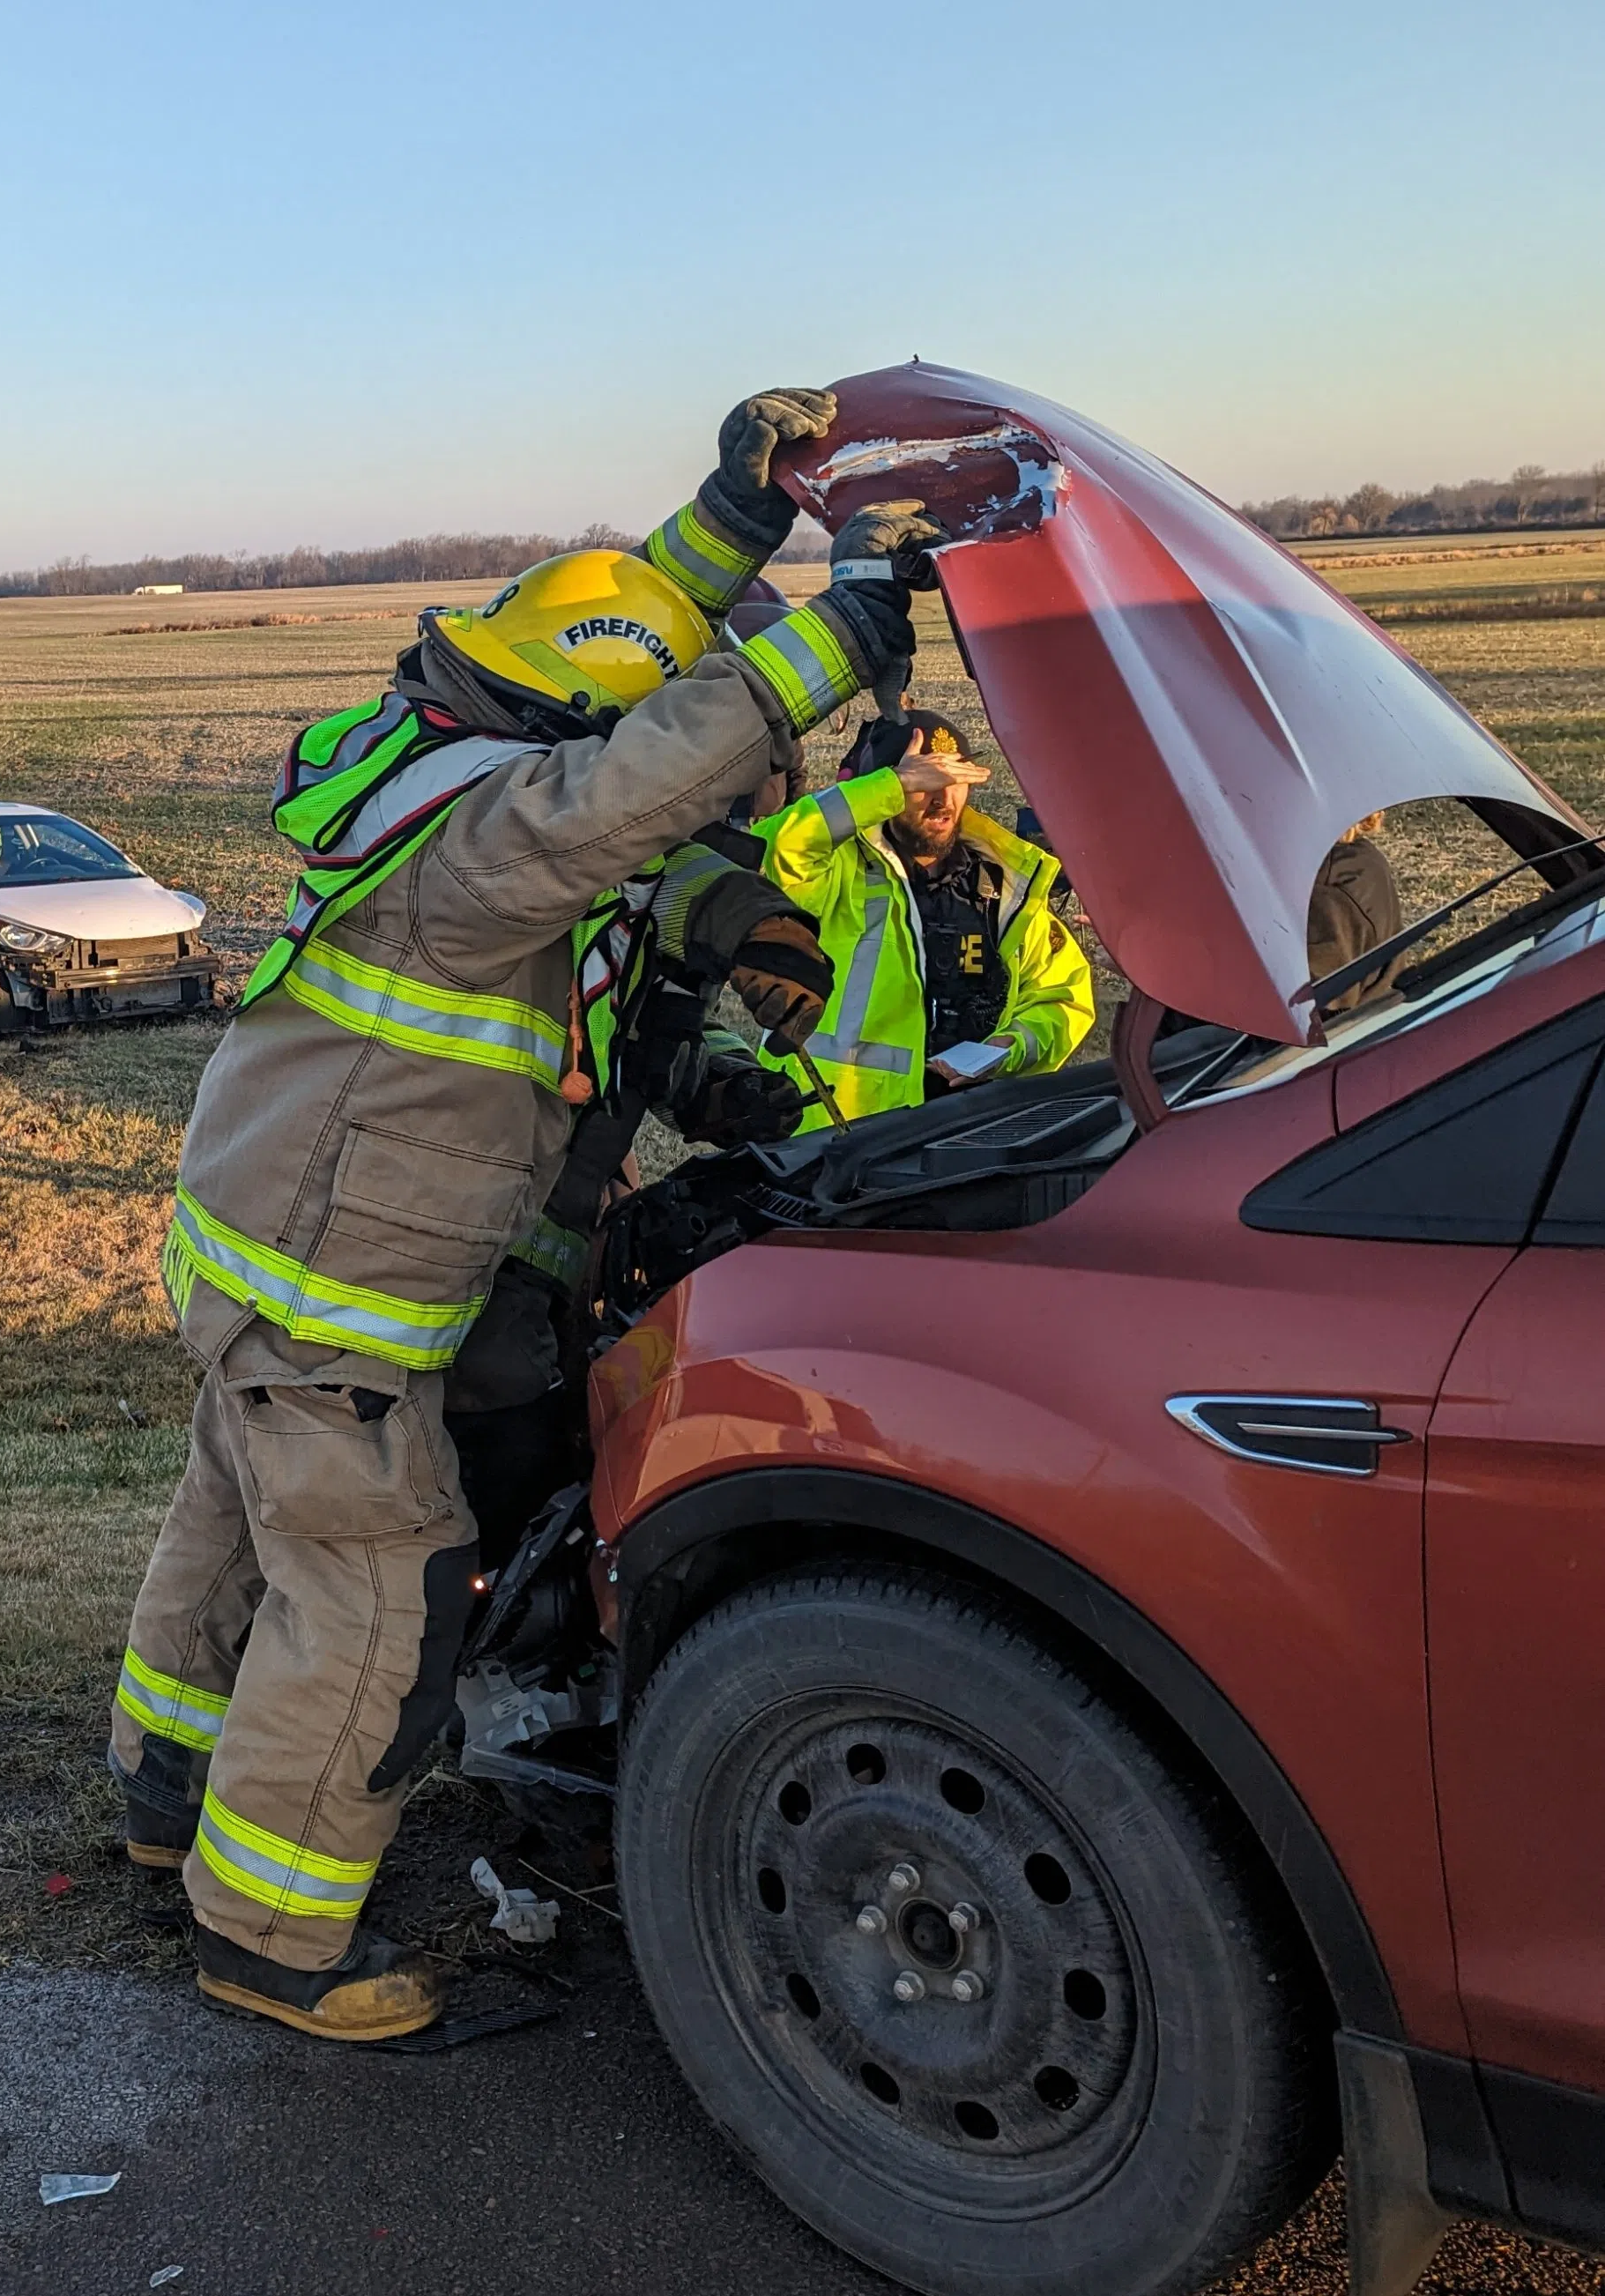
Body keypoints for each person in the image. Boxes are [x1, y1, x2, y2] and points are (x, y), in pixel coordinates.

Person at [108, 384, 934, 2044]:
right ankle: (265, 1938)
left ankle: (160, 1804)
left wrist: (740, 512)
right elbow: (629, 784)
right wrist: (841, 624)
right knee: (379, 1585)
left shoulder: (427, 757)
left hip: (261, 1257)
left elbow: (619, 638)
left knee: (239, 1522)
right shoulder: (492, 842)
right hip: (332, 1287)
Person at [747, 708, 1093, 1129]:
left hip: (961, 1137)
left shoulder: (1005, 886)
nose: (943, 801)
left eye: (956, 781)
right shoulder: (835, 871)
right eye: (924, 784)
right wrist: (891, 786)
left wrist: (1009, 1046)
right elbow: (776, 846)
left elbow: (1062, 997)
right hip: (832, 1138)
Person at [1307, 813, 1405, 1008]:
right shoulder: (1360, 857)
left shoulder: (1319, 888)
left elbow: (1316, 1009)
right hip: (1376, 1017)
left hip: (1348, 1030)